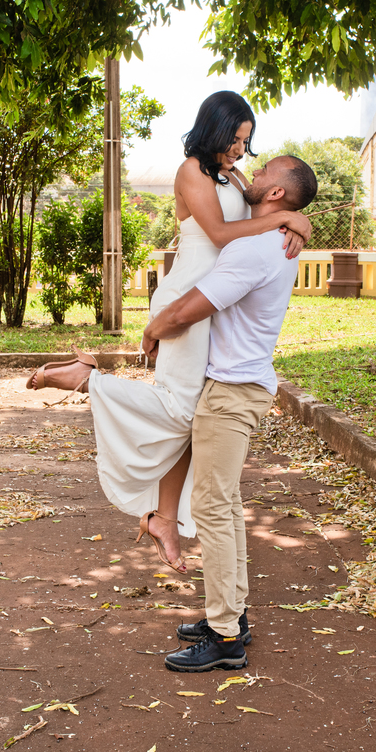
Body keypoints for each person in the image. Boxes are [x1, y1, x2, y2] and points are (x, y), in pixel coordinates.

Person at [27, 92, 311, 575]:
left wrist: (294, 218)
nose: (242, 151)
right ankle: (87, 378)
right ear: (215, 130)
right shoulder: (191, 171)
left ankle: (163, 517)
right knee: (183, 411)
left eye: (247, 142)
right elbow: (221, 235)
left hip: (214, 300)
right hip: (188, 296)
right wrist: (285, 217)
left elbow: (268, 206)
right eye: (236, 139)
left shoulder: (236, 177)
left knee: (195, 418)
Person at [144, 154, 318, 672]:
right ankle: (232, 617)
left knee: (215, 508)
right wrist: (298, 221)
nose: (253, 171)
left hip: (231, 391)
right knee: (226, 503)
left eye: (264, 171)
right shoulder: (273, 238)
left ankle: (223, 638)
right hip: (239, 385)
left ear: (277, 195)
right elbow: (235, 192)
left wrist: (154, 328)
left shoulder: (256, 249)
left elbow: (192, 307)